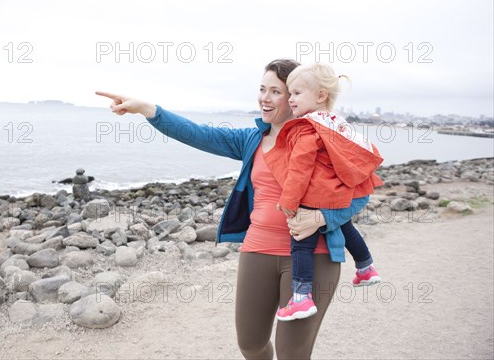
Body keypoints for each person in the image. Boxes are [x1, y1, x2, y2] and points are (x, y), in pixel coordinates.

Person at [96, 59, 369, 360]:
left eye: (276, 92)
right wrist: (148, 109)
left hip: (312, 255)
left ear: (296, 95)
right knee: (250, 345)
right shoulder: (252, 139)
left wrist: (322, 217)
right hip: (258, 251)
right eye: (262, 89)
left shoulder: (324, 139)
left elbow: (360, 193)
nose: (265, 98)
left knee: (293, 354)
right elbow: (199, 134)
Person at [265, 63, 383, 322]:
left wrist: (289, 201)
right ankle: (366, 267)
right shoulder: (335, 123)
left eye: (296, 93)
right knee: (347, 227)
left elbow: (299, 168)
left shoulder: (307, 127)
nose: (290, 98)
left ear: (320, 96)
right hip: (339, 193)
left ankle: (301, 298)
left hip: (317, 196)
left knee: (300, 242)